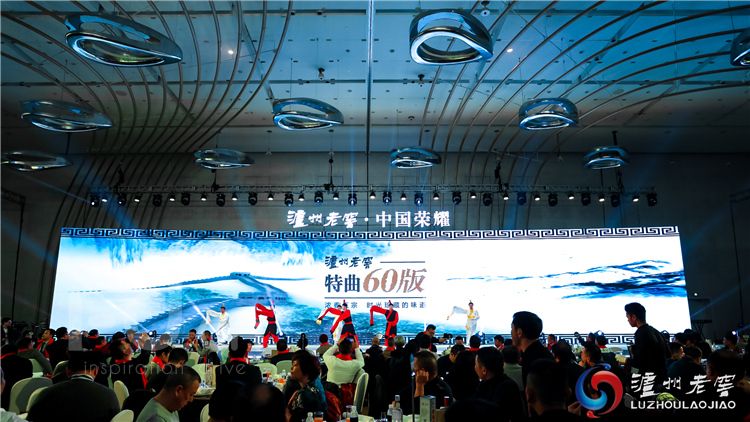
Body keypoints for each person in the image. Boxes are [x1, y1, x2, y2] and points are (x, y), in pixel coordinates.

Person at [28, 351, 120, 422]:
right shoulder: (109, 395)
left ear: (67, 371)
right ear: (96, 371)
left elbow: (32, 418)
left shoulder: (46, 393)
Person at [473, 347, 524, 422]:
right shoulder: (508, 384)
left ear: (484, 370)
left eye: (476, 364)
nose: (474, 368)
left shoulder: (502, 388)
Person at [624, 302, 669, 382]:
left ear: (633, 317)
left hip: (649, 379)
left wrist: (626, 361)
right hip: (662, 377)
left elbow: (639, 364)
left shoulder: (641, 334)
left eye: (627, 317)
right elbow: (668, 354)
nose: (627, 320)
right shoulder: (656, 331)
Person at [136, 366, 200, 422]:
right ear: (178, 390)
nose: (191, 400)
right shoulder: (157, 418)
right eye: (191, 394)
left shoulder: (172, 407)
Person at [400, 350, 453, 415]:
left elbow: (418, 412)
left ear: (422, 371)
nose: (413, 370)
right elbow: (399, 400)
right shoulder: (413, 382)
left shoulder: (442, 390)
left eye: (415, 368)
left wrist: (420, 386)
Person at [511, 311, 552, 387]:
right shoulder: (540, 352)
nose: (511, 333)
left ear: (519, 332)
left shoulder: (535, 361)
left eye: (512, 329)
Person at [286, 350, 327, 421]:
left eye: (295, 365)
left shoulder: (305, 395)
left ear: (306, 370)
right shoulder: (314, 384)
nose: (291, 368)